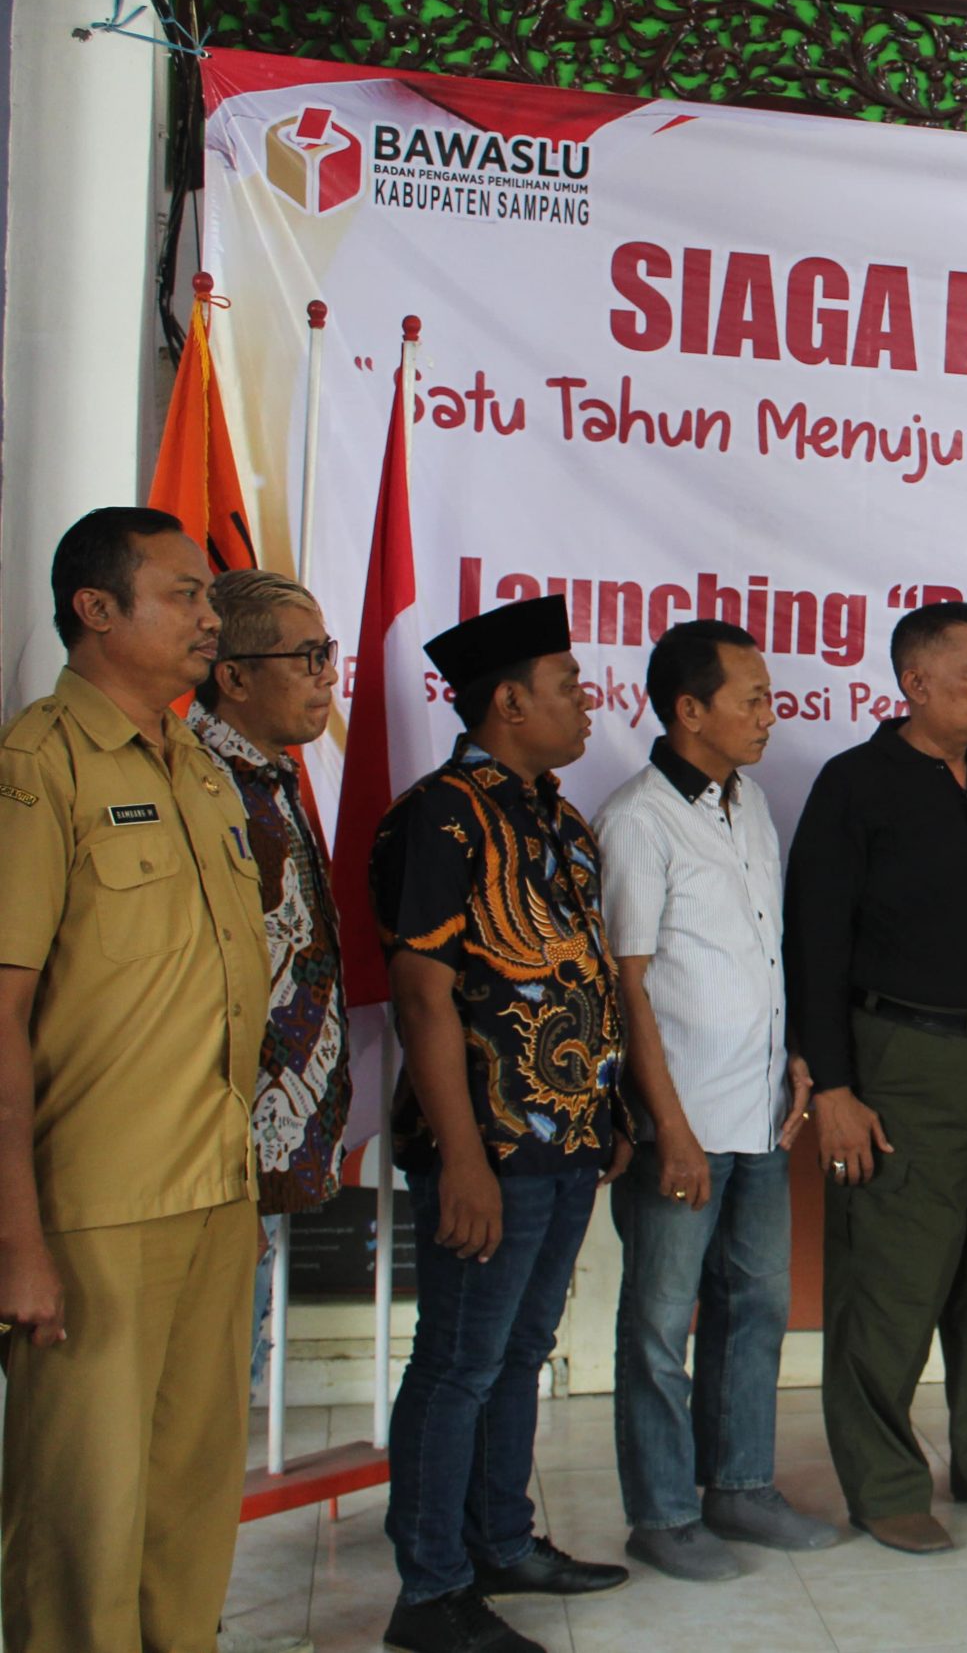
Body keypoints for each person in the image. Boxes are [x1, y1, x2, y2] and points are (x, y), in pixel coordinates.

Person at [0, 508, 270, 1653]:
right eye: (183, 594)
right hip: (95, 1210)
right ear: (97, 609)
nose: (211, 617)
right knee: (84, 1518)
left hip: (214, 1188)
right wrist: (18, 1239)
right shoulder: (36, 767)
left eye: (208, 596)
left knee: (189, 1506)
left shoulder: (199, 767)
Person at [785, 599, 967, 1555]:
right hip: (912, 1065)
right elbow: (815, 944)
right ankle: (885, 1485)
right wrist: (835, 1089)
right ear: (914, 683)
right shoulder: (855, 784)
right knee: (893, 1281)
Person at [372, 595, 634, 1653]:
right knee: (459, 1361)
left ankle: (500, 1542)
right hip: (488, 1149)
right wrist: (465, 1161)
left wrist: (609, 1109)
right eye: (569, 686)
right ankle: (430, 1590)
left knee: (520, 1350)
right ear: (511, 704)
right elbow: (422, 994)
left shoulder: (559, 820)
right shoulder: (440, 816)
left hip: (567, 1142)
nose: (587, 702)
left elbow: (582, 974)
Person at [595, 620, 837, 1581]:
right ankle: (661, 1514)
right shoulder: (637, 820)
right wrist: (670, 1129)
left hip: (760, 1112)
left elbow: (762, 955)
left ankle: (739, 1486)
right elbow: (628, 986)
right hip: (683, 1124)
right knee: (660, 1325)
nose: (771, 714)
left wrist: (796, 1056)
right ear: (690, 710)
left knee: (757, 1306)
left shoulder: (754, 804)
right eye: (754, 698)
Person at [189, 570, 354, 1390]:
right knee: (202, 1400)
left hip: (264, 1155)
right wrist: (230, 1182)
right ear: (235, 675)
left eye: (328, 653)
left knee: (226, 1398)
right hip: (216, 1166)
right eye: (307, 656)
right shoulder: (200, 783)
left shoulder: (271, 776)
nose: (327, 675)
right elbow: (201, 995)